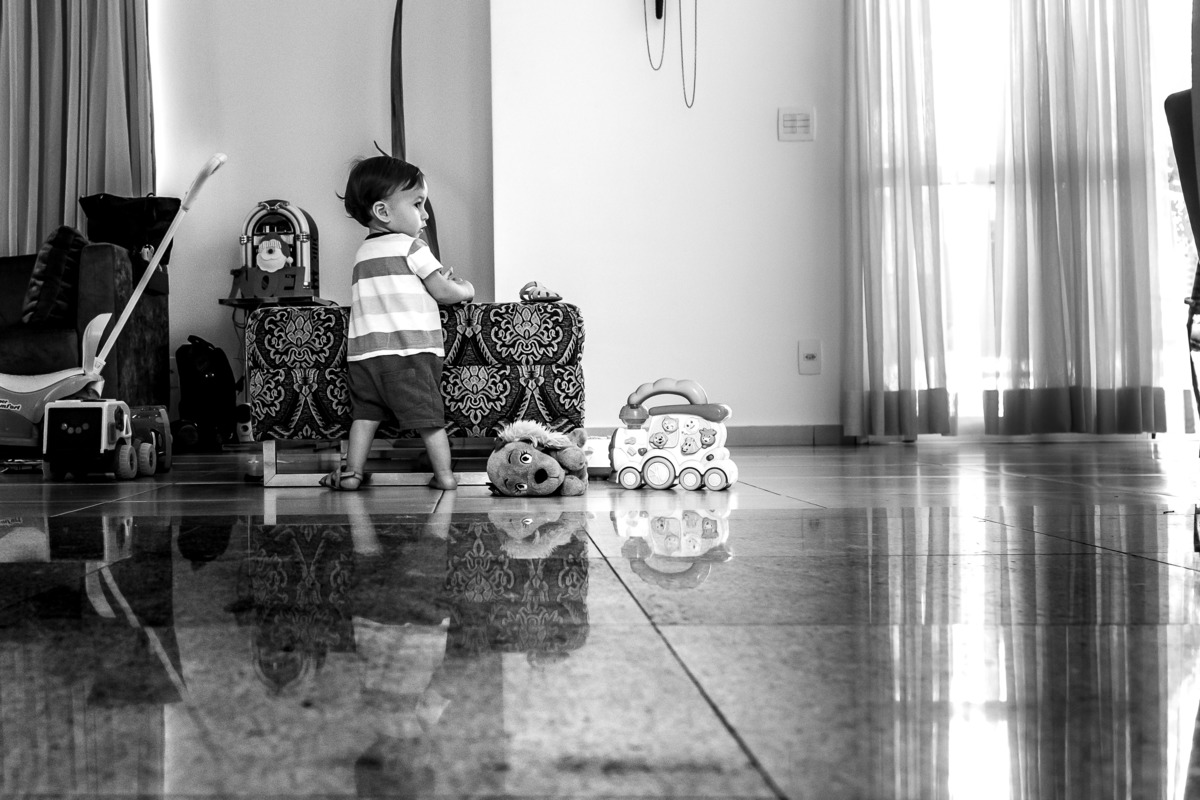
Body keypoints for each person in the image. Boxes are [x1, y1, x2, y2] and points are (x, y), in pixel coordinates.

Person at [322, 155, 474, 491]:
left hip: (364, 358)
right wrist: (465, 288)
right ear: (383, 212)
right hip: (411, 351)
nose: (425, 214)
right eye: (418, 204)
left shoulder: (362, 254)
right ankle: (445, 476)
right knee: (429, 419)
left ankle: (352, 472)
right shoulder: (412, 246)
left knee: (363, 417)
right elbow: (443, 291)